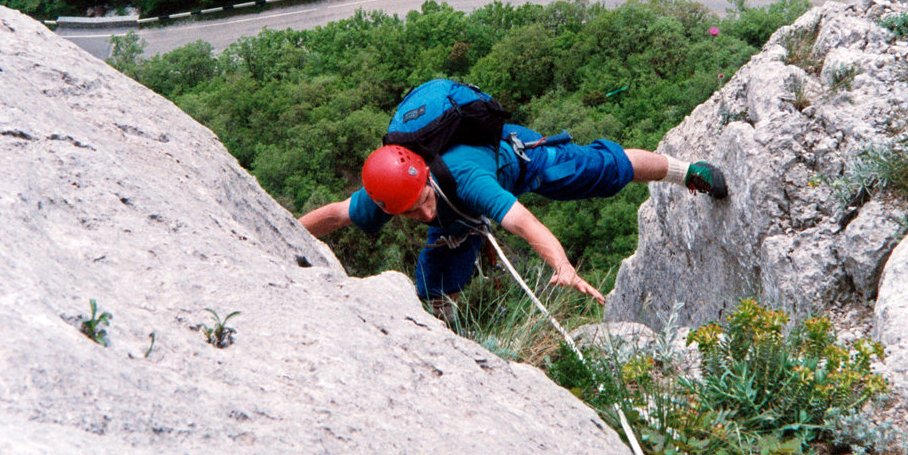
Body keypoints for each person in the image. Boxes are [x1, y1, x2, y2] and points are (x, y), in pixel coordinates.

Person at [299, 123, 727, 318]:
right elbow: (336, 215)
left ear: (426, 175)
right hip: (461, 218)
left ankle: (689, 171)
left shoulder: (467, 179)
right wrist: (278, 237)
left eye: (424, 200)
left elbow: (524, 224)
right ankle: (444, 338)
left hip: (520, 162)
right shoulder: (390, 190)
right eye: (411, 212)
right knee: (433, 283)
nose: (423, 213)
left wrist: (561, 266)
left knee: (607, 168)